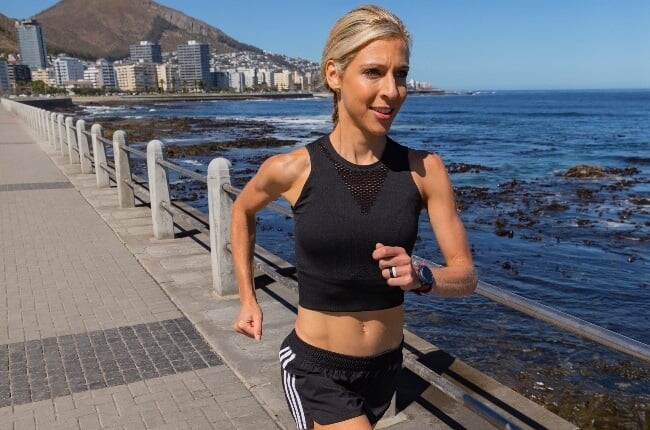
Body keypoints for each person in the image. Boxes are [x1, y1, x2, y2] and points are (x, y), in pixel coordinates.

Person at [230, 5, 477, 429]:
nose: (392, 90)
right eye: (373, 72)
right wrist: (247, 298)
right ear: (334, 75)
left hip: (385, 371)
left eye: (400, 74)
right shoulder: (292, 169)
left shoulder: (425, 170)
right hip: (315, 370)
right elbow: (242, 210)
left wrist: (422, 276)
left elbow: (466, 276)